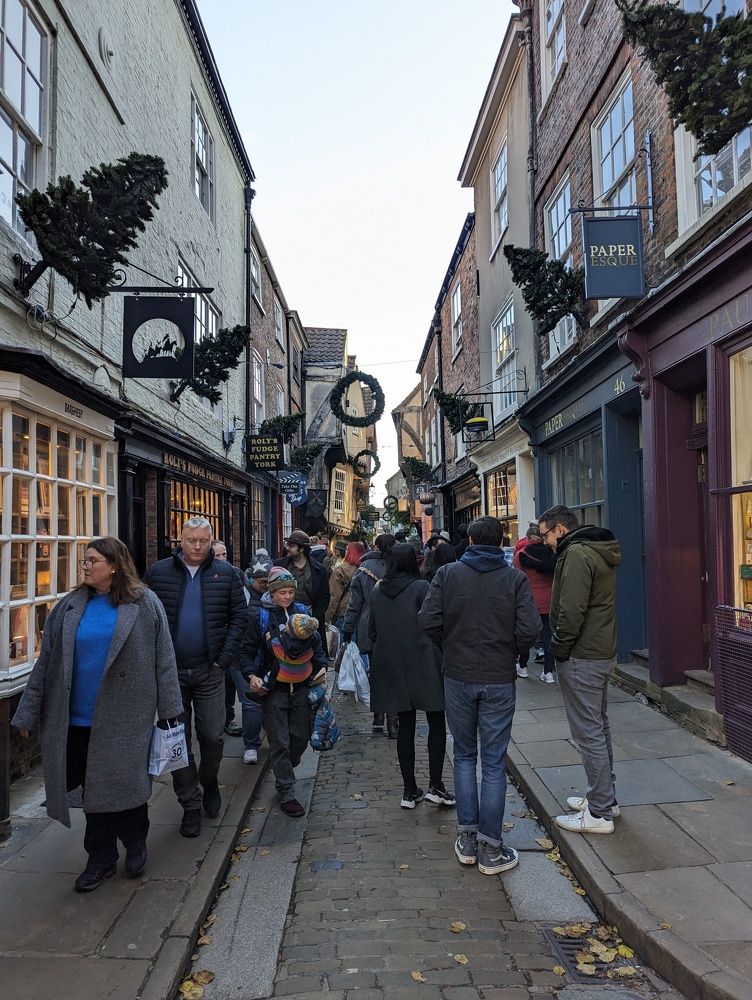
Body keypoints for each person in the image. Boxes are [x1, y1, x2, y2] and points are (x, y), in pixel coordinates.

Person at [12, 537, 183, 892]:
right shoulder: (70, 606)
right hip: (77, 719)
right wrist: (27, 713)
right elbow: (46, 663)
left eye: (92, 560)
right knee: (93, 793)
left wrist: (170, 713)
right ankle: (100, 857)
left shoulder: (144, 603)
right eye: (85, 561)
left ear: (114, 564)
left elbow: (164, 659)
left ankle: (135, 844)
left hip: (126, 717)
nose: (85, 566)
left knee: (129, 789)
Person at [419, 515, 540, 876]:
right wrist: (512, 651)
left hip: (457, 675)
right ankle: (491, 846)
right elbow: (530, 629)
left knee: (465, 756)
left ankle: (468, 840)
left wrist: (450, 645)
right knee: (494, 761)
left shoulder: (447, 575)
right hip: (499, 677)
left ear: (470, 540)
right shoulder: (515, 578)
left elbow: (428, 620)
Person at [145, 517, 248, 838]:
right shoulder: (159, 573)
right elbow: (145, 618)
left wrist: (222, 660)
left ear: (211, 540)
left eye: (204, 541)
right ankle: (190, 803)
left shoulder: (227, 575)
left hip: (210, 672)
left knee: (213, 736)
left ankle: (209, 781)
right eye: (192, 541)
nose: (198, 546)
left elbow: (239, 618)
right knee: (177, 742)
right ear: (180, 539)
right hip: (171, 674)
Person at [538, 505, 622, 835]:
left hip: (582, 655)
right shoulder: (597, 549)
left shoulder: (576, 553)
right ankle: (605, 798)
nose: (544, 541)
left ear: (560, 529)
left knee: (588, 732)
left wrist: (558, 649)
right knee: (598, 727)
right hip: (598, 651)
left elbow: (571, 611)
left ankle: (600, 813)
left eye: (545, 534)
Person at [369, 544, 454, 810]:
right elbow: (434, 623)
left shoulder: (377, 591)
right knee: (436, 723)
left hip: (392, 663)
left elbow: (372, 631)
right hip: (424, 660)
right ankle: (435, 786)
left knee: (405, 726)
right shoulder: (421, 588)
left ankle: (409, 790)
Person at [241, 567, 328, 816]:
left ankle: (286, 769)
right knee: (280, 741)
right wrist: (252, 676)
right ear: (273, 592)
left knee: (300, 738)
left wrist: (321, 667)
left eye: (291, 592)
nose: (287, 597)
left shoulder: (302, 612)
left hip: (302, 687)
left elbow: (317, 644)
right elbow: (247, 652)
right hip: (275, 689)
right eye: (282, 592)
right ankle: (287, 790)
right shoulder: (260, 616)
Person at [342, 533, 396, 735]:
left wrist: (348, 627)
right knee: (394, 673)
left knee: (376, 670)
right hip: (395, 624)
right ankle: (393, 719)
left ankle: (378, 714)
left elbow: (354, 604)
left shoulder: (363, 570)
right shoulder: (399, 567)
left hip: (369, 624)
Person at [274, 530, 330, 651]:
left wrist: (314, 618)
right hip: (284, 612)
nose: (287, 548)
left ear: (302, 549)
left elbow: (324, 597)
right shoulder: (279, 565)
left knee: (309, 650)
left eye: (292, 546)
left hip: (309, 613)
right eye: (287, 545)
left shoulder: (318, 569)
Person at [212, 540, 245, 738]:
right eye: (218, 555)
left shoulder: (235, 574)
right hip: (215, 638)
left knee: (233, 682)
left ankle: (229, 719)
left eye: (224, 554)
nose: (223, 559)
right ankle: (222, 720)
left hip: (233, 638)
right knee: (220, 685)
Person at [513, 528, 553, 681]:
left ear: (528, 536)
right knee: (548, 635)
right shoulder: (551, 553)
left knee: (526, 634)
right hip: (549, 599)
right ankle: (548, 671)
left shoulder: (521, 554)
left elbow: (516, 578)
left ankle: (523, 667)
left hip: (529, 600)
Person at [326, 541, 364, 639]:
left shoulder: (341, 570)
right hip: (363, 614)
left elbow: (334, 596)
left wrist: (327, 618)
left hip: (344, 612)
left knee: (344, 648)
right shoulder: (365, 570)